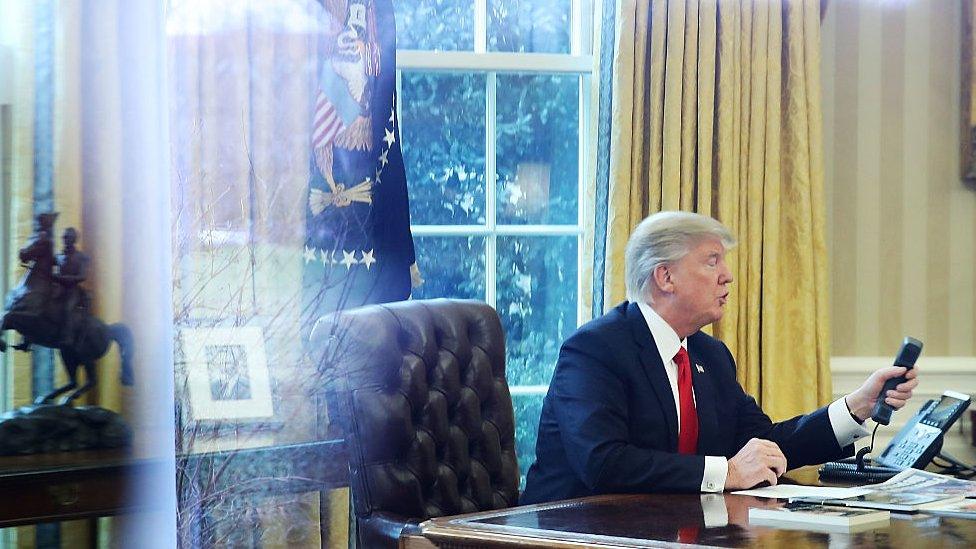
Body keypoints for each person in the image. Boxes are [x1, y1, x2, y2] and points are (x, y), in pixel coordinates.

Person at [520, 211, 918, 504]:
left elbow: (766, 447)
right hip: (570, 533)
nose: (727, 275)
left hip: (668, 531)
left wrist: (857, 407)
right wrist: (726, 472)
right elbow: (604, 463)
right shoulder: (595, 349)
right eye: (712, 261)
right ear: (665, 277)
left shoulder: (709, 354)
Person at [53, 227, 90, 348]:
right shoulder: (58, 256)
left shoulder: (81, 257)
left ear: (73, 239)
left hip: (73, 290)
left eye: (67, 237)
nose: (64, 239)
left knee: (68, 308)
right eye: (63, 237)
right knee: (39, 302)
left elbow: (82, 276)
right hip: (58, 288)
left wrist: (64, 278)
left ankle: (68, 337)